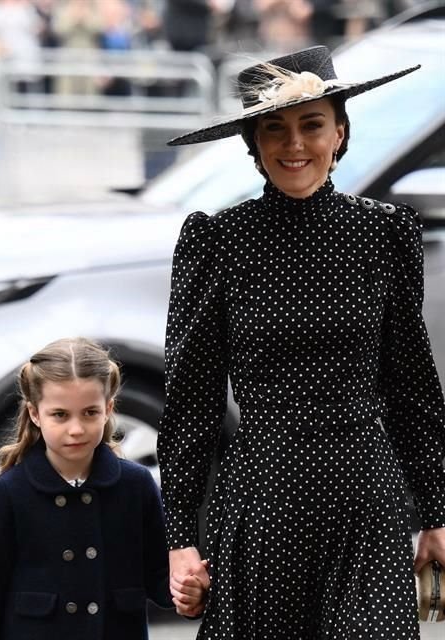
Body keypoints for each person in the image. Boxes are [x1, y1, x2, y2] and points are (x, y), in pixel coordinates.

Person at [158, 46, 445, 636]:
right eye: (274, 129)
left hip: (365, 498)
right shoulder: (218, 242)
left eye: (312, 124)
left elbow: (413, 387)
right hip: (264, 499)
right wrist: (179, 539)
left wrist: (437, 513)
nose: (294, 146)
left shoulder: (385, 233)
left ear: (340, 132)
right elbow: (191, 403)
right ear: (253, 145)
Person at [0, 337, 204, 639]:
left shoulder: (136, 485)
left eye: (90, 412)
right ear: (35, 413)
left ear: (108, 409)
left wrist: (186, 593)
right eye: (60, 415)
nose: (76, 429)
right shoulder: (8, 492)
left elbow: (158, 575)